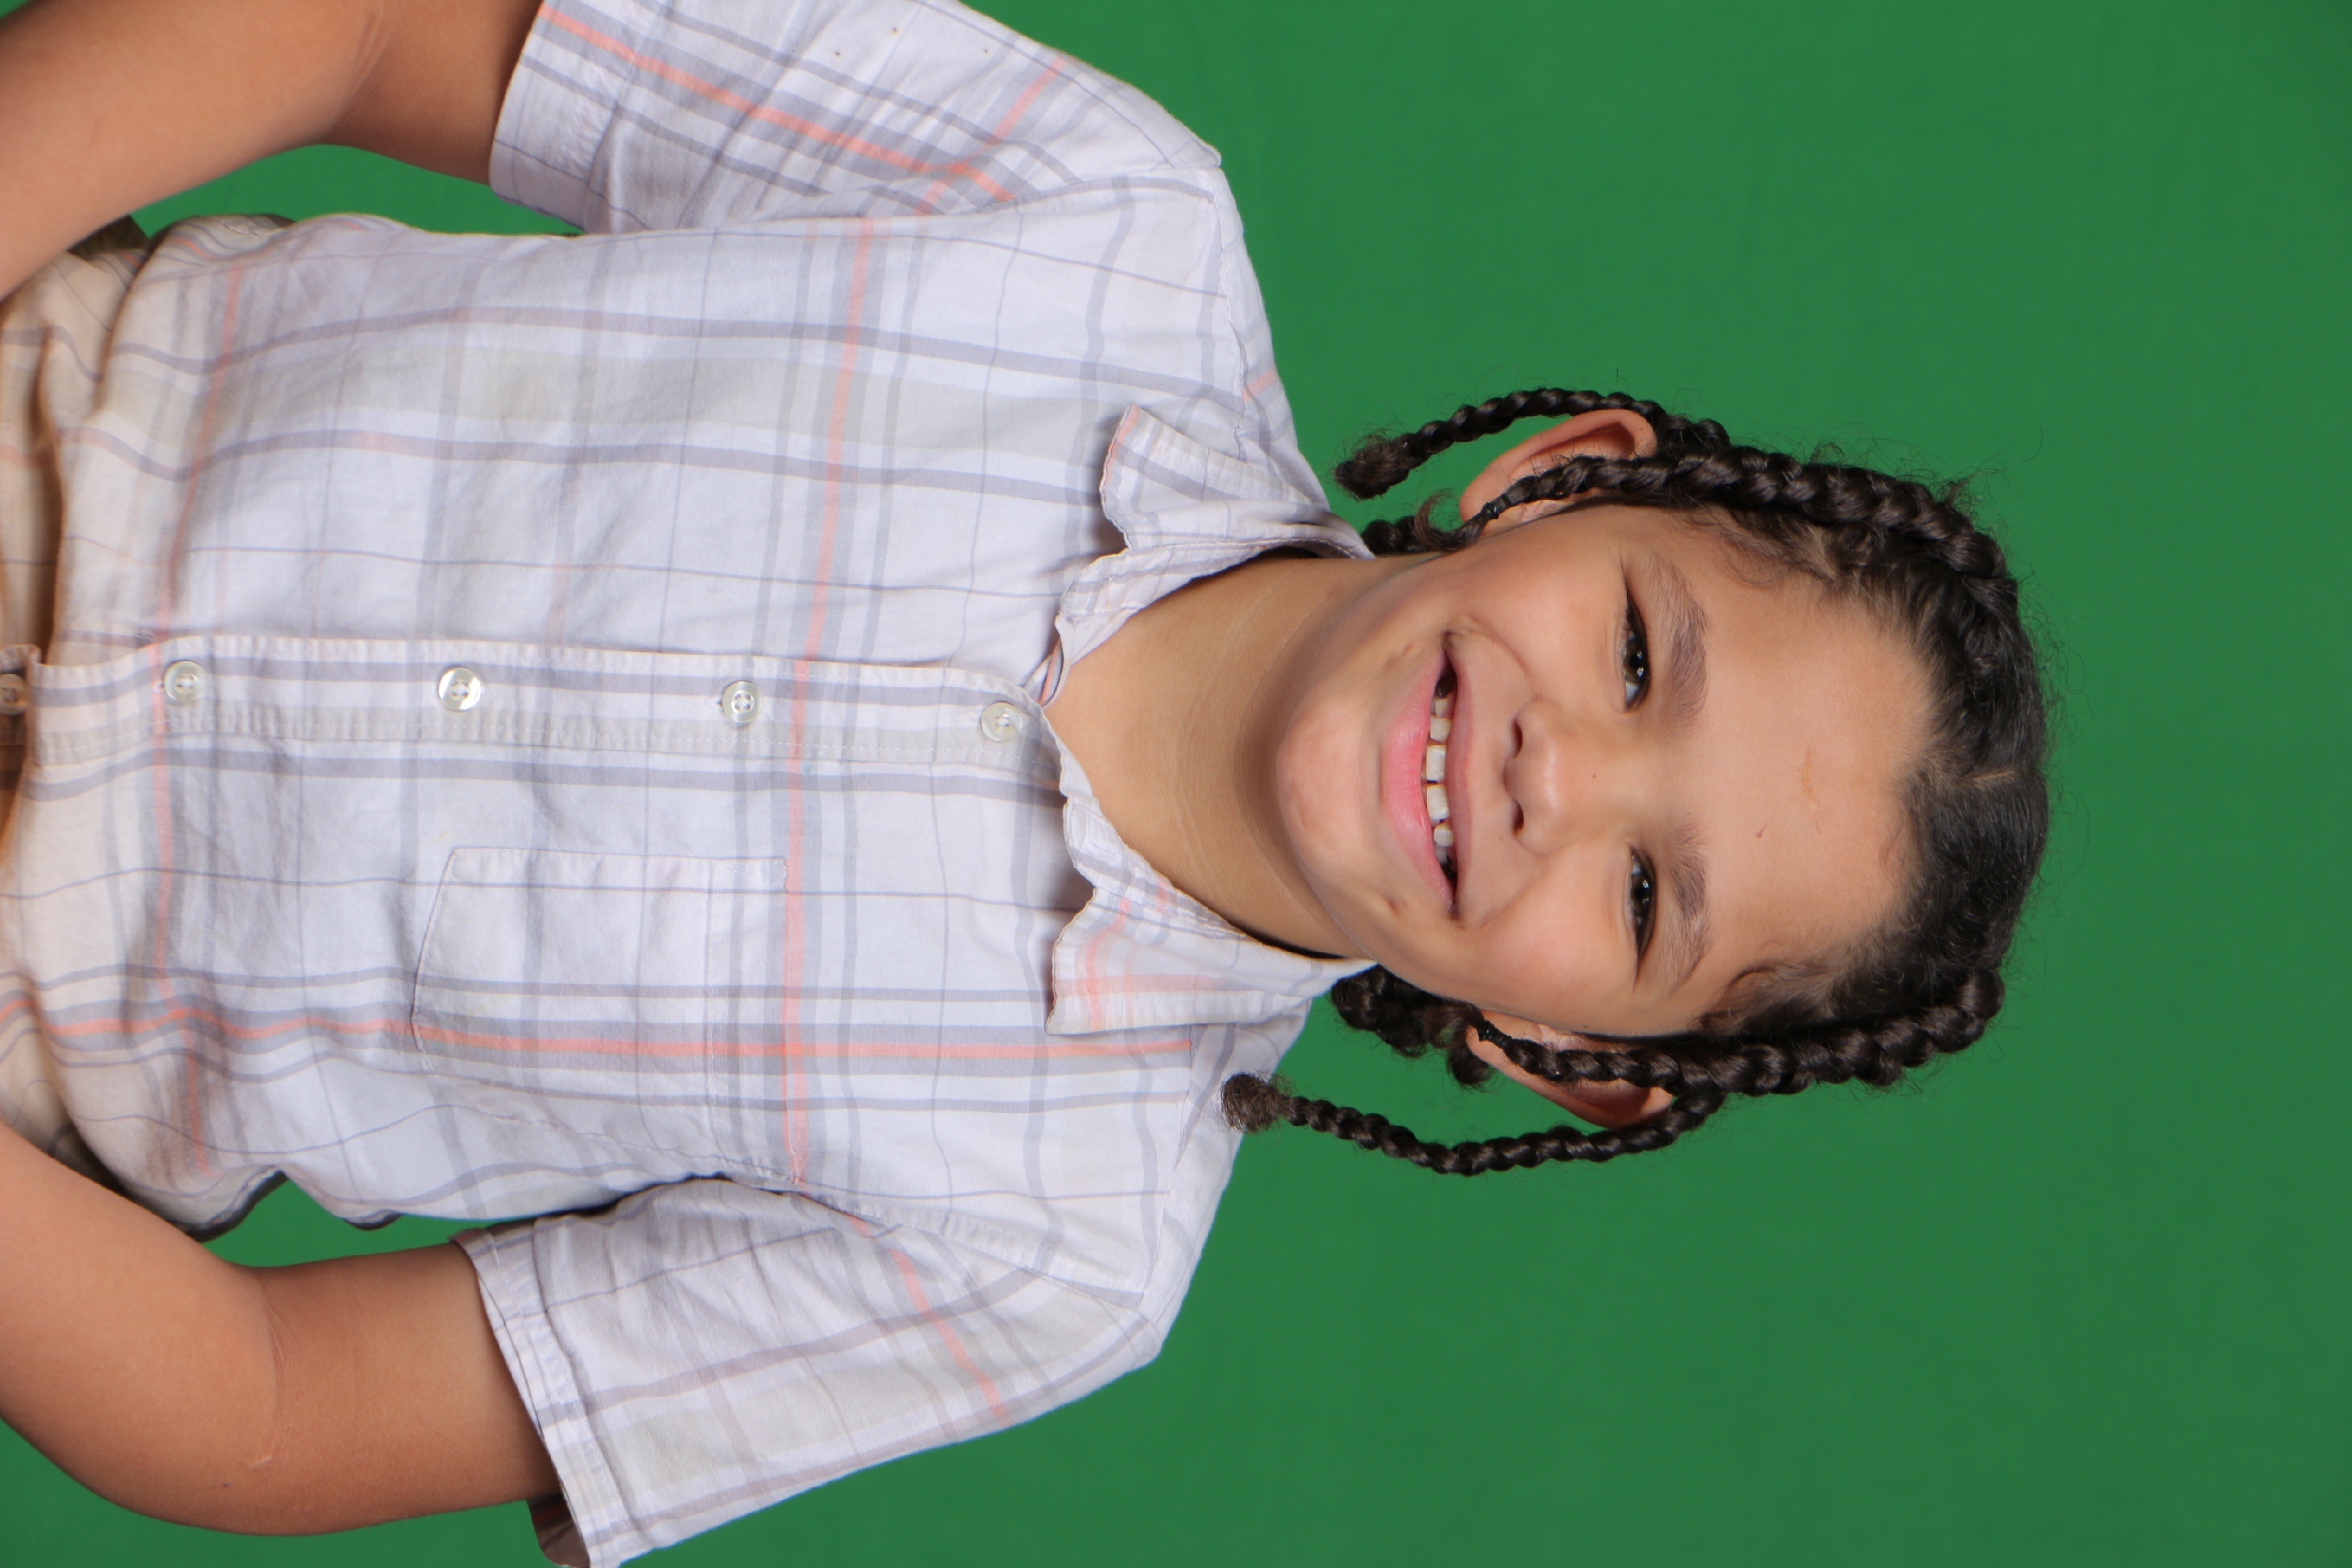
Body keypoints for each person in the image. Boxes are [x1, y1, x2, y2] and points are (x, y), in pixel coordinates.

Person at [0, 0, 2049, 1563]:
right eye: (1637, 655)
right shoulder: (1094, 217)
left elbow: (273, 1405)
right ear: (1562, 479)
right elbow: (367, 24)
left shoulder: (1054, 1258)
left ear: (1568, 1061)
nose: (1555, 777)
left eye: (1643, 895)